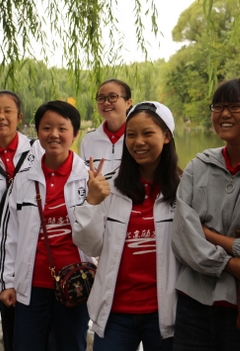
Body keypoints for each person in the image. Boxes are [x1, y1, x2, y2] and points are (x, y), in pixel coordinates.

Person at [172, 77, 240, 351]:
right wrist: (226, 264)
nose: (224, 114)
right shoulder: (199, 166)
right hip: (193, 304)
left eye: (235, 107)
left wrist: (207, 234)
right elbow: (183, 236)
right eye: (218, 107)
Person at [73, 101, 181, 350]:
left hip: (166, 312)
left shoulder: (184, 188)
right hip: (115, 312)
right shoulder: (109, 187)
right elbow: (90, 246)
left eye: (147, 133)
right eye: (131, 135)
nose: (138, 142)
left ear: (166, 136)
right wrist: (91, 203)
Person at [0, 100, 95, 351]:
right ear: (37, 132)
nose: (54, 134)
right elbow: (8, 235)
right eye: (47, 128)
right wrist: (6, 282)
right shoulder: (24, 179)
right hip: (32, 284)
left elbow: (102, 237)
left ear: (75, 133)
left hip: (77, 283)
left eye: (62, 128)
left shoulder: (89, 179)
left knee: (71, 345)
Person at [0, 90, 42, 351]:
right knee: (11, 321)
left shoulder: (37, 149)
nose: (1, 116)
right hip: (2, 253)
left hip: (38, 249)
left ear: (19, 117)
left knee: (42, 321)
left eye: (7, 111)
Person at [80, 79, 133, 178]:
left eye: (112, 97)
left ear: (128, 103)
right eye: (101, 98)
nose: (106, 102)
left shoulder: (137, 139)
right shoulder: (88, 140)